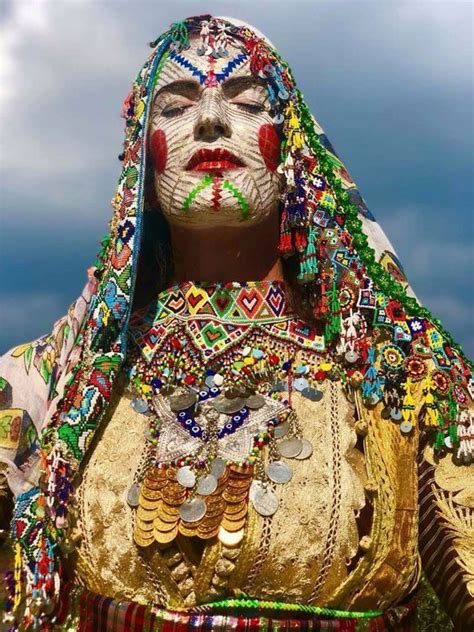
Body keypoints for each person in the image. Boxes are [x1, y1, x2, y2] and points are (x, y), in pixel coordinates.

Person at [0, 14, 472, 632]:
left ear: (295, 150)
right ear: (142, 158)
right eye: (174, 107)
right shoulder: (50, 386)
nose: (211, 121)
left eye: (248, 102)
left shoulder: (407, 379)